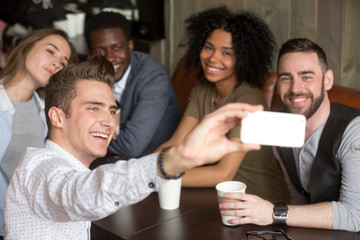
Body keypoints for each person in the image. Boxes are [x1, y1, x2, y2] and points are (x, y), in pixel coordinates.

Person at [3, 55, 262, 239]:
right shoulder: (39, 168)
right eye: (93, 108)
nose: (108, 121)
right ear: (58, 117)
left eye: (112, 110)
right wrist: (174, 160)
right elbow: (79, 194)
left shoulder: (72, 168)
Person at [219, 38, 360, 232]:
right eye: (286, 78)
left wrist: (271, 212)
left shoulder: (354, 129)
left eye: (306, 76)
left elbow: (355, 215)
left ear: (327, 80)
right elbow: (299, 200)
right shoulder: (279, 126)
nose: (295, 88)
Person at [155, 6, 289, 203]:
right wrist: (138, 171)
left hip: (260, 203)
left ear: (242, 59)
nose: (213, 58)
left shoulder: (248, 100)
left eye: (226, 53)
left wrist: (159, 176)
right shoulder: (203, 90)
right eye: (209, 47)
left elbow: (223, 173)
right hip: (219, 199)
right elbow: (175, 143)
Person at [0, 28, 73, 238]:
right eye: (51, 51)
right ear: (27, 47)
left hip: (32, 224)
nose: (56, 63)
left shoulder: (43, 110)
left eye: (63, 62)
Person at [84, 11, 181, 160]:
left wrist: (84, 137)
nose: (109, 58)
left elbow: (131, 147)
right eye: (99, 50)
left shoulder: (153, 77)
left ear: (130, 45)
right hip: (112, 160)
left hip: (150, 163)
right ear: (90, 54)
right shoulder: (87, 74)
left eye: (117, 48)